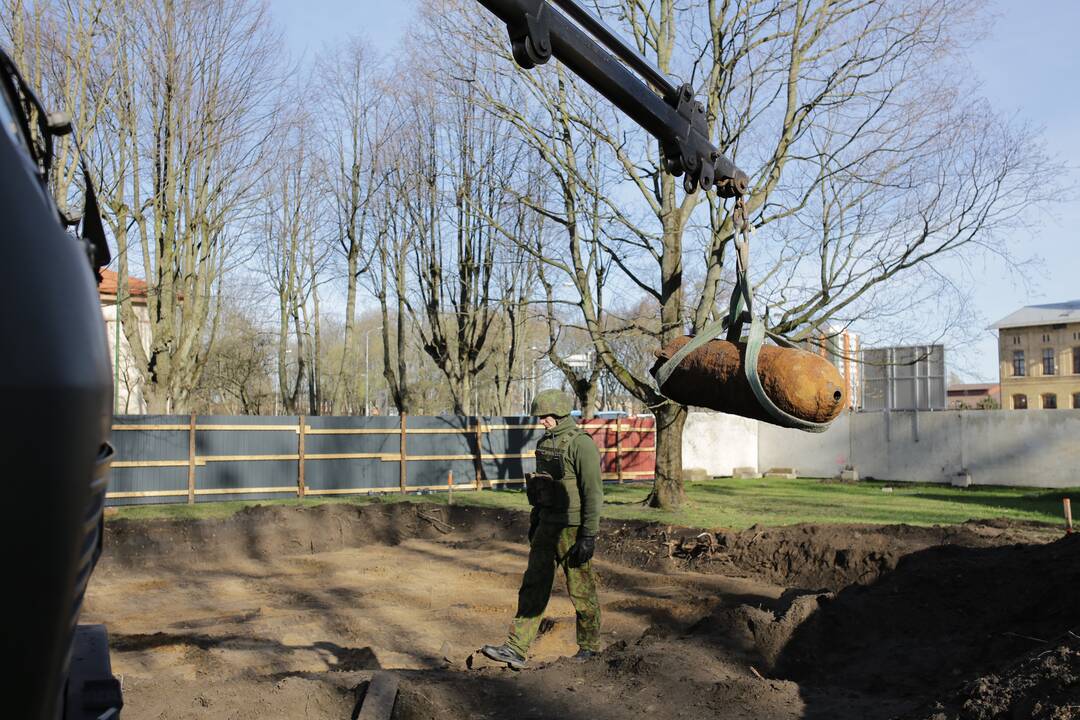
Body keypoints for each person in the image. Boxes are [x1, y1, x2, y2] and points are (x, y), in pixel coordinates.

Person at [481, 389, 603, 669]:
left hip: (572, 530)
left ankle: (590, 648)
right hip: (547, 525)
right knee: (533, 586)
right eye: (540, 417)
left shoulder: (581, 444)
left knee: (582, 591)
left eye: (546, 416)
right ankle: (515, 648)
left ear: (560, 414)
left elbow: (593, 493)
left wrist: (588, 535)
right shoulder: (545, 443)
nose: (542, 422)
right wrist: (536, 520)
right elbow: (542, 486)